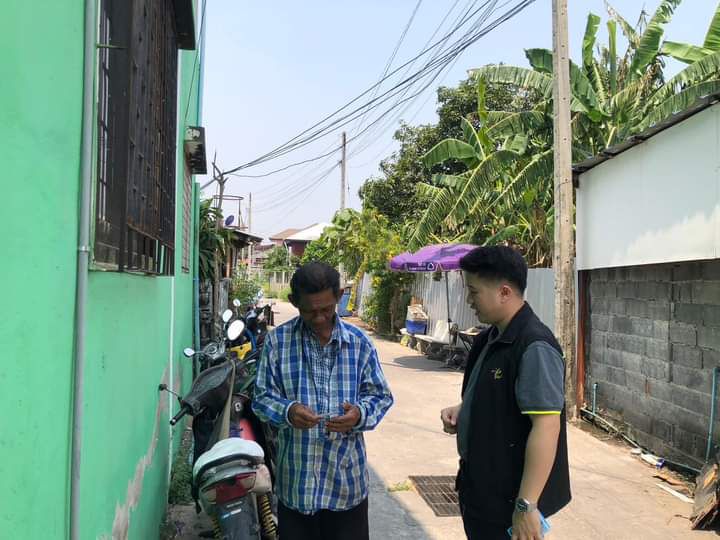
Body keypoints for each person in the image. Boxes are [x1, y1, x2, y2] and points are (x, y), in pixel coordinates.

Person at [253, 262, 394, 540]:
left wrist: (359, 414)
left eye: (327, 309)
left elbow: (380, 396)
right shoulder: (278, 342)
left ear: (339, 296)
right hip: (297, 487)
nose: (319, 318)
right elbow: (261, 398)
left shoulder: (359, 343)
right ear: (294, 301)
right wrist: (288, 411)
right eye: (309, 311)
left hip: (346, 487)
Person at [440, 246, 571, 540]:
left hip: (507, 504)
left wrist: (526, 505)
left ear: (504, 292)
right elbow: (498, 396)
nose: (469, 300)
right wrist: (464, 410)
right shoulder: (490, 337)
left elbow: (546, 426)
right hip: (480, 492)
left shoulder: (534, 346)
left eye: (474, 292)